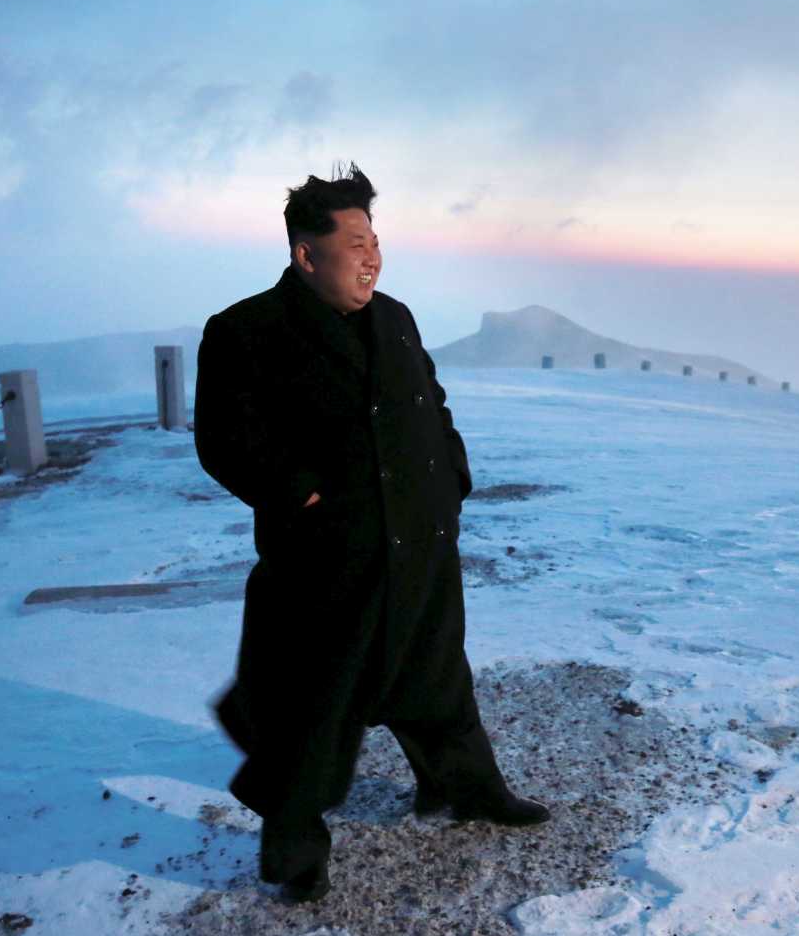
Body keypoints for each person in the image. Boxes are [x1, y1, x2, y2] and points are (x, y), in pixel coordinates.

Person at [193, 163, 549, 903]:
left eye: (376, 239)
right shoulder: (245, 330)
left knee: (438, 679)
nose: (372, 255)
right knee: (313, 706)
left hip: (419, 543)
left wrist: (451, 475)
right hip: (327, 558)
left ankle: (464, 789)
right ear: (305, 254)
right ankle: (295, 852)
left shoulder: (396, 316)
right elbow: (224, 440)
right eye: (354, 241)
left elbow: (432, 403)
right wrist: (298, 493)